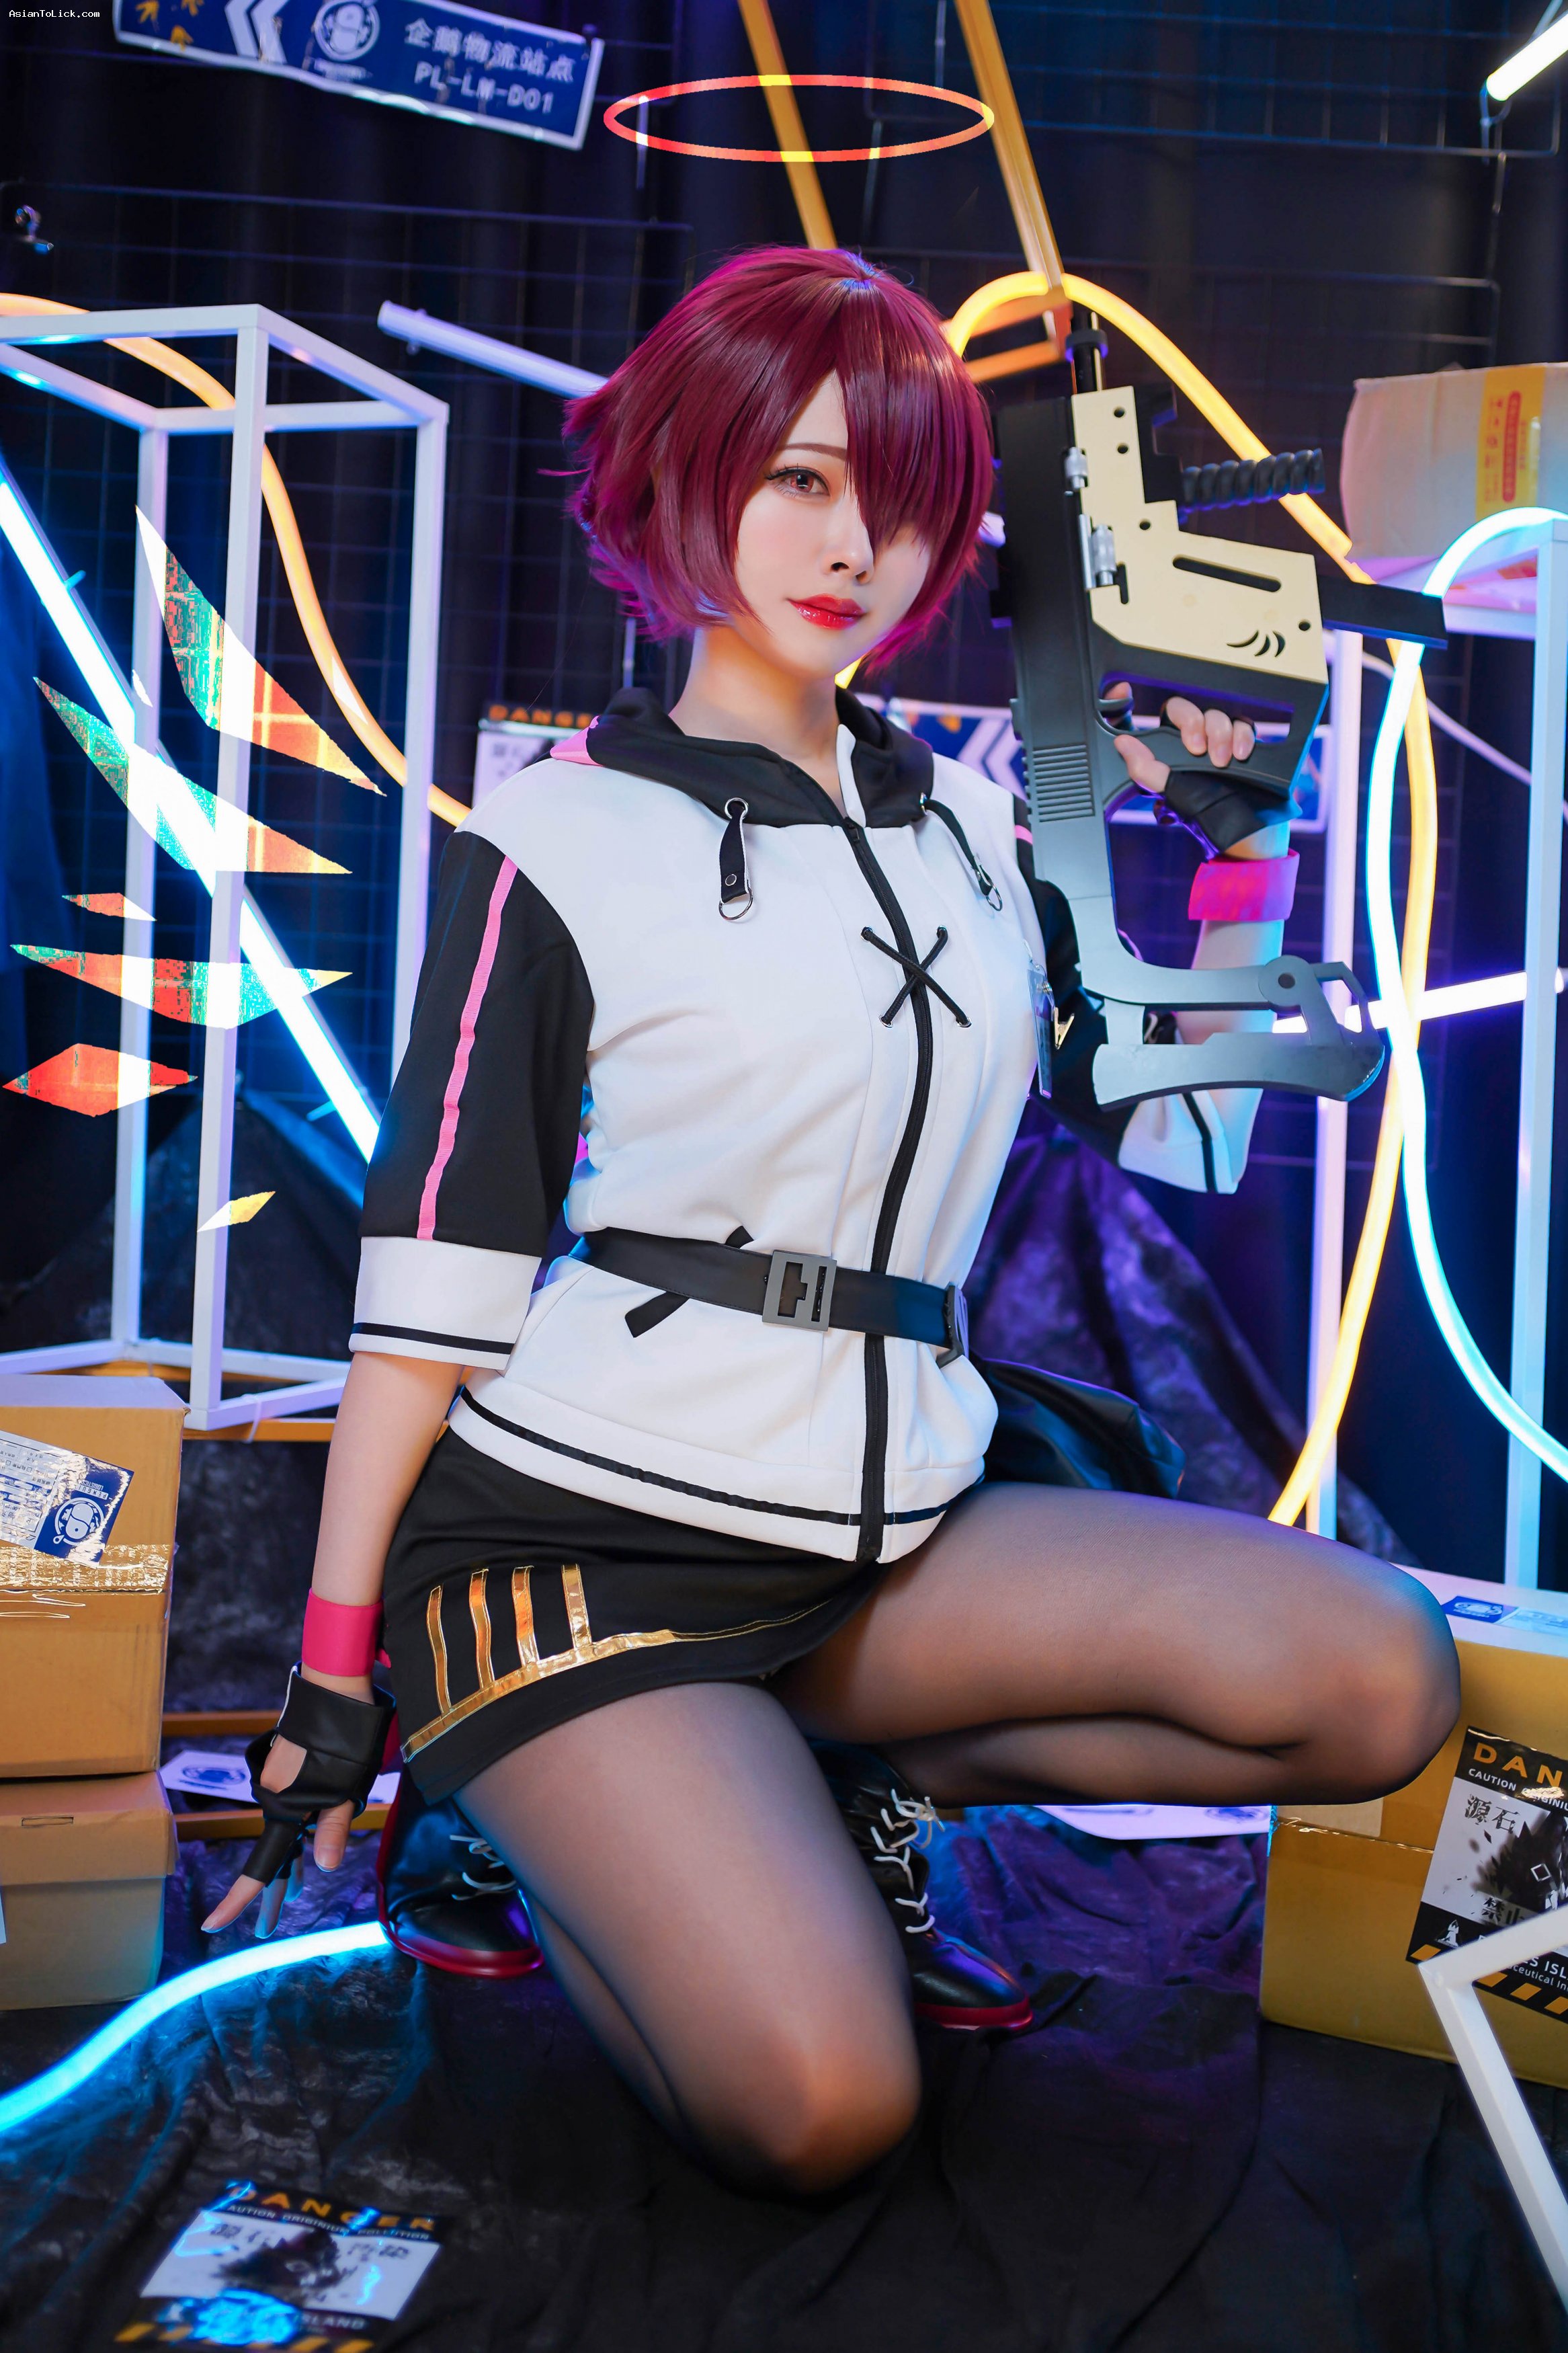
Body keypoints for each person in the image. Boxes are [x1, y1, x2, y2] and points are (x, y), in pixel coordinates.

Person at [206, 247, 1458, 2197]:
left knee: (1382, 1676)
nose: (852, 543)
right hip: (584, 1551)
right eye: (797, 478)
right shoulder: (559, 836)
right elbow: (429, 1295)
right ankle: (520, 1802)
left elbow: (1187, 1140)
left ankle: (823, 1776)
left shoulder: (969, 828)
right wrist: (338, 1665)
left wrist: (1245, 847)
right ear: (687, 476)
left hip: (891, 1536)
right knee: (823, 2111)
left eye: (901, 495)